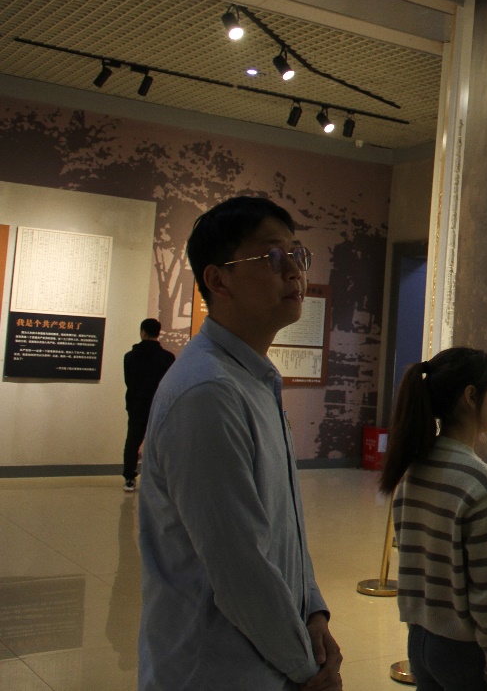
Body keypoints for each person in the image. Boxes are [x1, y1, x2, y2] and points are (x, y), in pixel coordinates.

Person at [137, 196, 340, 690]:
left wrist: (313, 610)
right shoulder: (208, 393)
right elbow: (239, 570)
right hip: (216, 669)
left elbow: (284, 526)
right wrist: (306, 670)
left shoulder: (252, 379)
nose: (294, 270)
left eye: (298, 253)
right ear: (218, 280)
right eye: (273, 256)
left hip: (265, 658)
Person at [380, 348, 487, 691]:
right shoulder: (482, 484)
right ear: (471, 397)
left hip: (420, 642)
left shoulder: (414, 470)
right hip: (465, 653)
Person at [121, 317, 174, 492]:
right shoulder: (167, 358)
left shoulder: (130, 357)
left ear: (143, 332)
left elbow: (129, 382)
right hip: (159, 405)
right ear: (158, 333)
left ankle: (129, 478)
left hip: (136, 405)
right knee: (160, 442)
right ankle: (160, 478)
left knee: (133, 441)